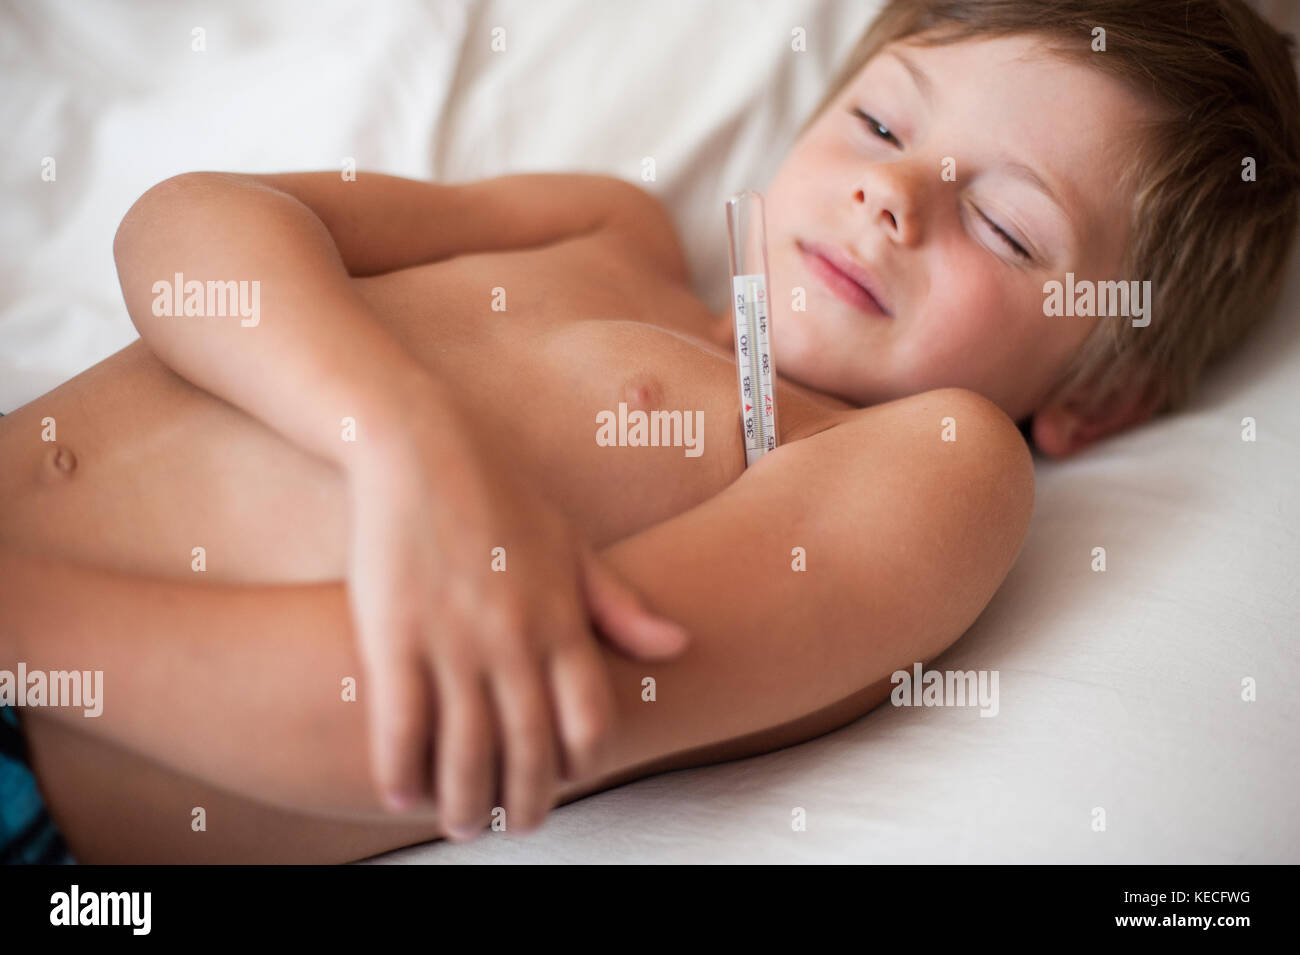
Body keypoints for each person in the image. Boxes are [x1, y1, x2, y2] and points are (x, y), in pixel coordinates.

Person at [1, 0, 1295, 863]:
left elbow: (435, 719)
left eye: (1008, 227)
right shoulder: (600, 226)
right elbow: (195, 227)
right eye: (883, 123)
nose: (892, 194)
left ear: (1099, 395)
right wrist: (404, 444)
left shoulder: (927, 463)